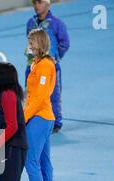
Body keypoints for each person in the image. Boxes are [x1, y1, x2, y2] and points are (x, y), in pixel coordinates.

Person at [25, 0, 69, 133]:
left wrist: (55, 56)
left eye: (39, 2)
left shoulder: (57, 24)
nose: (36, 6)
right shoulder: (30, 22)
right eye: (34, 3)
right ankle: (32, 116)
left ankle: (55, 122)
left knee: (53, 94)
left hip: (49, 64)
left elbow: (64, 43)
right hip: (31, 64)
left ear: (47, 4)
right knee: (31, 92)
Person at [24, 29, 56, 181]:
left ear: (40, 43)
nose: (29, 45)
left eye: (32, 42)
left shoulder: (45, 65)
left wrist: (24, 117)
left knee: (31, 162)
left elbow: (40, 96)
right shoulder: (37, 63)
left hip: (40, 118)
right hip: (42, 117)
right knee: (44, 162)